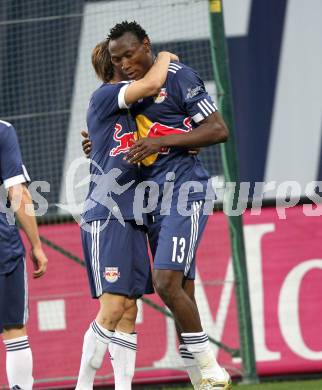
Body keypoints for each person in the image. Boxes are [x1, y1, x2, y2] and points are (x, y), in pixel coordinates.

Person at [106, 21, 231, 390]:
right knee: (181, 292)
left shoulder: (177, 76)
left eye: (129, 54)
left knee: (165, 282)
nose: (125, 63)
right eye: (117, 59)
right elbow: (128, 138)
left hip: (186, 191)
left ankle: (212, 368)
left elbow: (218, 129)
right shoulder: (126, 92)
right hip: (150, 199)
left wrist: (166, 143)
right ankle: (201, 380)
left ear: (146, 45)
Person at [76, 40, 178, 390]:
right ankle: (83, 385)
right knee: (114, 307)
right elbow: (151, 84)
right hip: (108, 214)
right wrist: (164, 56)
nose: (133, 62)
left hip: (133, 214)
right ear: (116, 65)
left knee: (130, 310)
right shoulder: (108, 94)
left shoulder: (130, 107)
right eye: (125, 58)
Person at [0, 119, 48, 390]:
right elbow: (17, 192)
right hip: (2, 248)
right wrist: (37, 245)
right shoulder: (2, 131)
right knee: (14, 329)